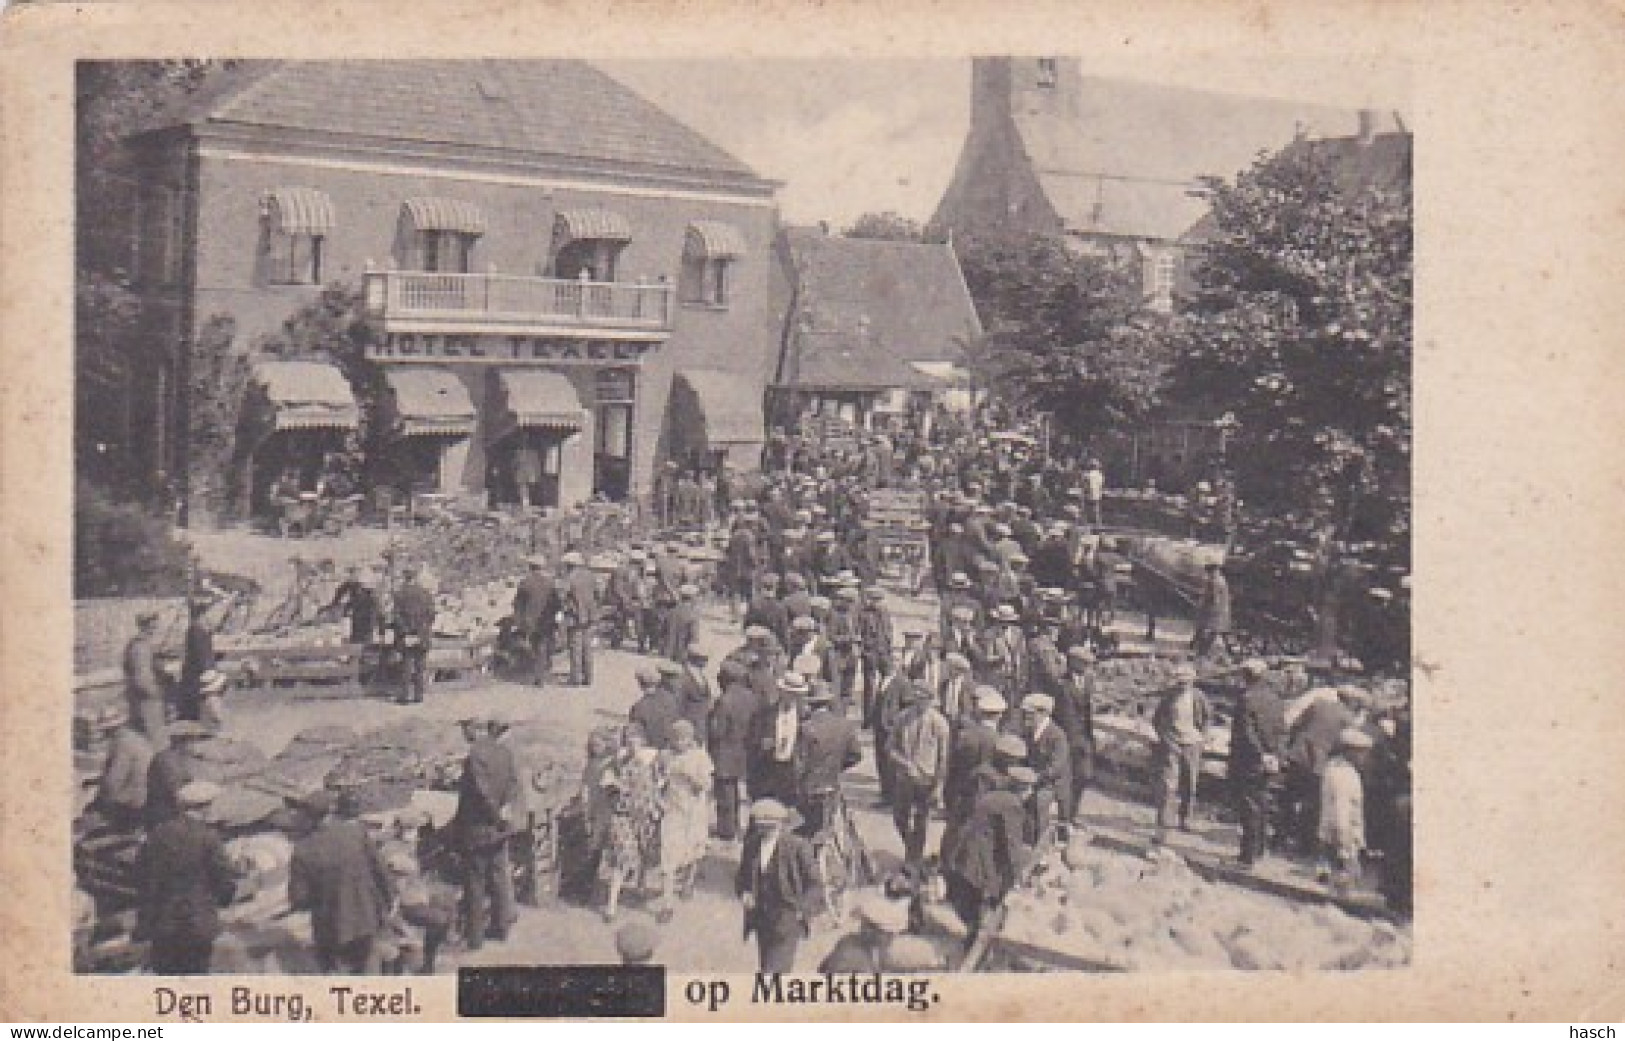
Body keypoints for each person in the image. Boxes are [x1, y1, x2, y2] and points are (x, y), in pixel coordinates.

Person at [288, 789, 396, 973]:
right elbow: (381, 873)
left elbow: (299, 900)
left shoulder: (302, 850)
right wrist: (388, 902)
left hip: (329, 928)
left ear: (308, 817)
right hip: (366, 918)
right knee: (369, 969)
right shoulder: (356, 833)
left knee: (335, 976)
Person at [136, 781, 238, 974]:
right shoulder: (209, 838)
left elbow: (141, 874)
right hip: (197, 923)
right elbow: (224, 879)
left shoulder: (156, 835)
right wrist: (223, 899)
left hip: (162, 922)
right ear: (206, 808)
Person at [941, 766, 1034, 941]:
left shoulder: (995, 795)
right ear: (1022, 788)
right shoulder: (1012, 804)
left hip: (965, 850)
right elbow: (1012, 845)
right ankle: (974, 940)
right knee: (981, 901)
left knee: (969, 897)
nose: (1031, 793)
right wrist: (1018, 878)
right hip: (978, 858)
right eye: (1030, 788)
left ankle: (970, 932)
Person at [450, 715, 519, 948]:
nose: (464, 735)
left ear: (474, 729)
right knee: (499, 877)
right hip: (499, 828)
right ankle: (501, 928)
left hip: (480, 829)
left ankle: (475, 937)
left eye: (464, 729)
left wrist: (494, 817)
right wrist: (504, 816)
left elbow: (482, 793)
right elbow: (512, 785)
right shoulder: (505, 752)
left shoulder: (476, 755)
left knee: (475, 881)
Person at [735, 799, 821, 972]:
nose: (765, 832)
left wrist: (801, 909)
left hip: (787, 916)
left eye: (770, 827)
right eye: (761, 827)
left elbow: (815, 883)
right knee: (766, 963)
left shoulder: (798, 846)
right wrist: (744, 893)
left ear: (781, 824)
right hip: (761, 917)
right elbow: (741, 877)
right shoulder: (752, 845)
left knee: (773, 970)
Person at [600, 724, 664, 923]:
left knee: (645, 852)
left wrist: (657, 796)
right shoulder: (617, 761)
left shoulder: (653, 759)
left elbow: (663, 779)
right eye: (628, 740)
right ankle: (611, 906)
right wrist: (614, 785)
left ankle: (641, 885)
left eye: (636, 739)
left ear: (643, 741)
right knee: (622, 858)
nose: (632, 744)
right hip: (624, 815)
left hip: (646, 813)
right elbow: (605, 782)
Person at [1229, 659, 1286, 867]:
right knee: (1262, 803)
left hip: (1248, 760)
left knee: (1249, 806)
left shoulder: (1247, 699)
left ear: (1248, 675)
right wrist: (1275, 755)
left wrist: (1260, 754)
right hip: (1270, 759)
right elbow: (1282, 730)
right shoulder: (1276, 699)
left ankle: (1247, 856)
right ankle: (1261, 850)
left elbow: (1246, 732)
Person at [886, 682, 951, 864]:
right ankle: (911, 847)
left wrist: (939, 786)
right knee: (899, 817)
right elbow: (890, 748)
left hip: (926, 779)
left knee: (921, 820)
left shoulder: (939, 724)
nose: (919, 704)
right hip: (904, 777)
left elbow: (943, 758)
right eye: (916, 699)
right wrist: (903, 762)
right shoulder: (902, 718)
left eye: (923, 700)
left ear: (931, 701)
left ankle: (913, 858)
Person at [658, 720, 713, 916]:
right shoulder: (665, 756)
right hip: (672, 811)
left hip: (694, 812)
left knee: (693, 850)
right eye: (677, 739)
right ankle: (667, 904)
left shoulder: (699, 757)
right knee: (668, 855)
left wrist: (691, 778)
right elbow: (658, 780)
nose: (680, 742)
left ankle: (688, 882)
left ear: (691, 739)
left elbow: (706, 785)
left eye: (684, 739)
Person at [795, 682, 862, 835]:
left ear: (810, 704)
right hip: (832, 783)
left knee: (810, 827)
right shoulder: (845, 725)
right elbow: (856, 755)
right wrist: (837, 766)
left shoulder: (806, 728)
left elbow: (799, 762)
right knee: (828, 826)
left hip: (809, 786)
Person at [943, 688, 1006, 851]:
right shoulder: (1000, 741)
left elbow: (953, 767)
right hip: (986, 794)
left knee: (956, 830)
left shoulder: (966, 736)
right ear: (999, 715)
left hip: (963, 791)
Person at [1318, 728, 1375, 893]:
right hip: (1342, 838)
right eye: (1362, 753)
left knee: (1334, 882)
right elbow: (1340, 810)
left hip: (1331, 835)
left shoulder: (1334, 768)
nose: (1365, 758)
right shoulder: (1345, 775)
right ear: (1351, 752)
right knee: (1343, 885)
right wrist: (1344, 844)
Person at [1054, 646, 1098, 818]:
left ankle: (1073, 813)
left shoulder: (1087, 681)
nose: (1087, 666)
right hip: (1068, 737)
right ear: (1072, 663)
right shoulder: (1061, 684)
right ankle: (1065, 818)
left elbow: (1087, 710)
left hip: (1084, 737)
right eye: (1083, 663)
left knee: (1084, 776)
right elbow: (1061, 714)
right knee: (1067, 779)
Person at [747, 672, 805, 804]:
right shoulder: (765, 713)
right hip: (768, 771)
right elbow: (750, 740)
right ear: (781, 692)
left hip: (792, 773)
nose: (791, 697)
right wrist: (761, 745)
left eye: (795, 694)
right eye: (788, 693)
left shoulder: (804, 716)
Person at [92, 714, 155, 832]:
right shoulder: (136, 737)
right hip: (147, 792)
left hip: (136, 801)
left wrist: (99, 801)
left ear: (111, 730)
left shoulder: (123, 744)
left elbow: (114, 780)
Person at [1021, 693, 1073, 835]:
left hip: (1052, 785)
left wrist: (1033, 782)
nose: (1026, 717)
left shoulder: (1057, 736)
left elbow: (1055, 768)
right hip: (1034, 781)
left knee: (1039, 801)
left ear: (1043, 713)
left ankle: (1040, 841)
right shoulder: (1029, 731)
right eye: (1025, 713)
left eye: (1030, 714)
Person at [123, 610, 168, 750]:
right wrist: (157, 693)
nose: (155, 628)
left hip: (142, 699)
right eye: (153, 625)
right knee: (154, 741)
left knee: (150, 738)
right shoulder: (140, 647)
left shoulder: (142, 644)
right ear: (146, 626)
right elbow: (142, 680)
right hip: (146, 701)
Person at [392, 565, 436, 705]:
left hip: (407, 635)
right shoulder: (426, 593)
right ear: (416, 577)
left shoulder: (399, 594)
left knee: (406, 665)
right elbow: (431, 615)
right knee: (420, 666)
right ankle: (418, 696)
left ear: (405, 577)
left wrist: (406, 631)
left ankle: (404, 696)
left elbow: (396, 617)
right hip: (422, 635)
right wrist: (421, 631)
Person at [513, 556, 559, 686]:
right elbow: (556, 602)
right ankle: (545, 670)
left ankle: (539, 676)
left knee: (537, 646)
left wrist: (519, 620)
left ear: (530, 567)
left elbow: (518, 604)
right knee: (545, 645)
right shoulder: (550, 582)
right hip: (547, 619)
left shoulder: (525, 582)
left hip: (531, 620)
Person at [558, 552, 599, 686]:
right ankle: (588, 677)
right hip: (590, 615)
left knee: (575, 647)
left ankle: (575, 677)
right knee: (587, 647)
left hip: (576, 616)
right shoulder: (590, 576)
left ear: (569, 565)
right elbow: (597, 594)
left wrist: (565, 608)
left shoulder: (569, 578)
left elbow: (562, 596)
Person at [176, 600, 216, 723]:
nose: (208, 617)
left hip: (193, 672)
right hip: (195, 673)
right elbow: (201, 653)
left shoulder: (196, 629)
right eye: (206, 613)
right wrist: (208, 669)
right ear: (201, 615)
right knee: (196, 700)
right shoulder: (196, 630)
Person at [858, 588, 894, 720]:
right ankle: (868, 717)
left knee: (887, 683)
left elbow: (888, 633)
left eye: (879, 600)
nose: (878, 604)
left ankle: (881, 713)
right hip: (870, 653)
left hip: (883, 653)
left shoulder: (885, 613)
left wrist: (888, 651)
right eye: (875, 600)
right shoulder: (864, 614)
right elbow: (860, 633)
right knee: (869, 686)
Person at [627, 666, 681, 753]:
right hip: (672, 749)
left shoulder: (638, 707)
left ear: (640, 684)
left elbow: (636, 735)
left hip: (651, 751)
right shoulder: (671, 699)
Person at [329, 566, 383, 647]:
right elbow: (340, 593)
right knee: (358, 637)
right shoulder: (353, 588)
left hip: (365, 619)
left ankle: (361, 649)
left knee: (364, 638)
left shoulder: (370, 597)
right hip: (359, 618)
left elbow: (378, 613)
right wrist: (335, 604)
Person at [1193, 562, 1234, 659]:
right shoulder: (1222, 580)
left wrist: (1202, 604)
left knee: (1208, 631)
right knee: (1215, 631)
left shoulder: (1213, 581)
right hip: (1223, 610)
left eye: (1209, 572)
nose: (1209, 574)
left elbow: (1214, 598)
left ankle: (1202, 653)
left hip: (1214, 611)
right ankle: (1204, 652)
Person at [662, 584, 700, 664]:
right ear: (692, 598)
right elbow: (694, 639)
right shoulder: (692, 615)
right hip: (682, 656)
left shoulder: (670, 612)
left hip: (666, 653)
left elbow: (662, 632)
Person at [1082, 458, 1106, 527]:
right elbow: (1101, 486)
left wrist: (1084, 493)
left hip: (1088, 494)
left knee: (1086, 511)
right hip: (1097, 495)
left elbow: (1085, 486)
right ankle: (1098, 525)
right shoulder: (1100, 475)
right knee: (1096, 511)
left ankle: (1085, 525)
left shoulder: (1087, 475)